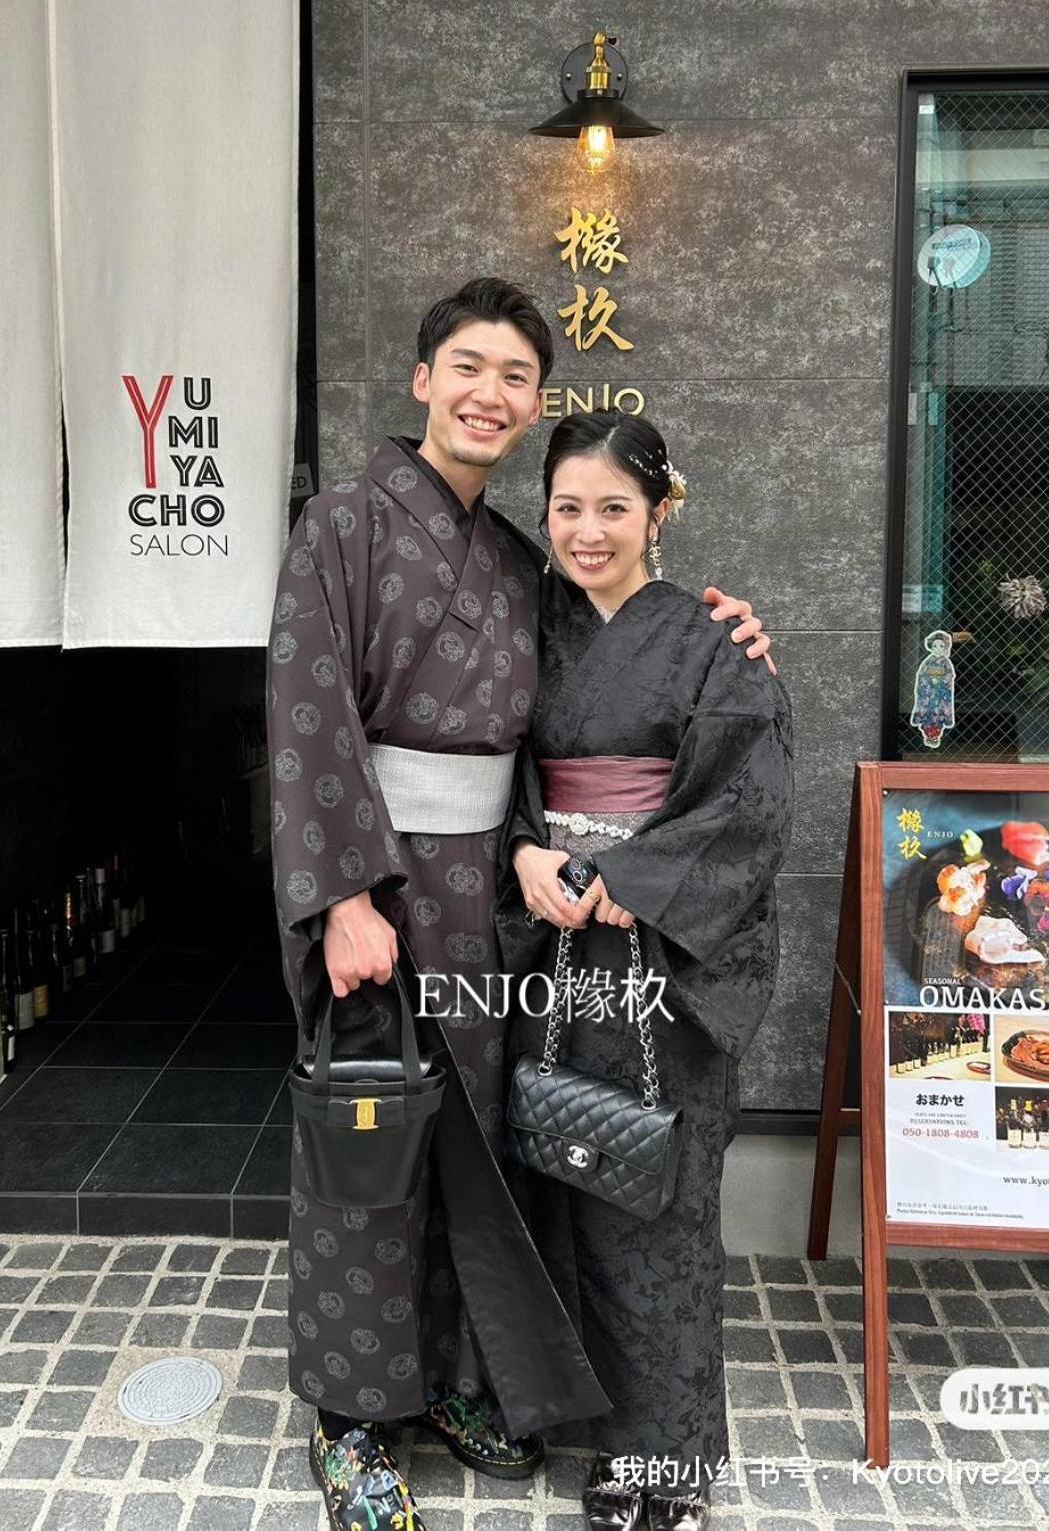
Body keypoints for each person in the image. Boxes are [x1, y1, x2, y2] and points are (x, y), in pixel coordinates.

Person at [267, 279, 774, 1531]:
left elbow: (609, 660)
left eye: (514, 377)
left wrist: (721, 624)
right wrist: (338, 896)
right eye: (468, 368)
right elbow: (305, 717)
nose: (489, 394)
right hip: (382, 888)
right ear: (421, 380)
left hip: (499, 900)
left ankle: (441, 1381)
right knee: (364, 1142)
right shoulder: (341, 525)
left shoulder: (510, 558)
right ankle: (350, 1420)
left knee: (476, 1152)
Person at [498, 410, 794, 1531]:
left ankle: (661, 1458)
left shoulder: (717, 643)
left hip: (661, 969)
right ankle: (577, 1419)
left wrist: (647, 875)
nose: (586, 530)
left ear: (657, 514)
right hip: (552, 953)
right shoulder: (529, 630)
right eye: (565, 507)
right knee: (560, 1179)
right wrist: (522, 847)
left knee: (658, 1212)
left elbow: (750, 800)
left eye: (612, 507)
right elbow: (495, 769)